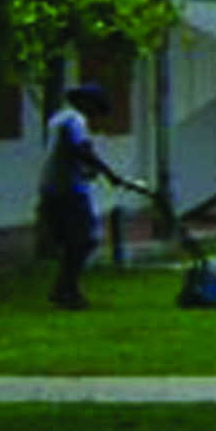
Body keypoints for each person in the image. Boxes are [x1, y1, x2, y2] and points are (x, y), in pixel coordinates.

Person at [39, 83, 141, 309]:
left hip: (53, 186)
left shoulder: (58, 118)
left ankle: (64, 289)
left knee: (73, 242)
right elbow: (82, 150)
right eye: (95, 109)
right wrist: (110, 174)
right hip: (69, 189)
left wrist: (87, 170)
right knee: (84, 239)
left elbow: (67, 153)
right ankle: (65, 291)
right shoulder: (75, 120)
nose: (96, 115)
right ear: (86, 103)